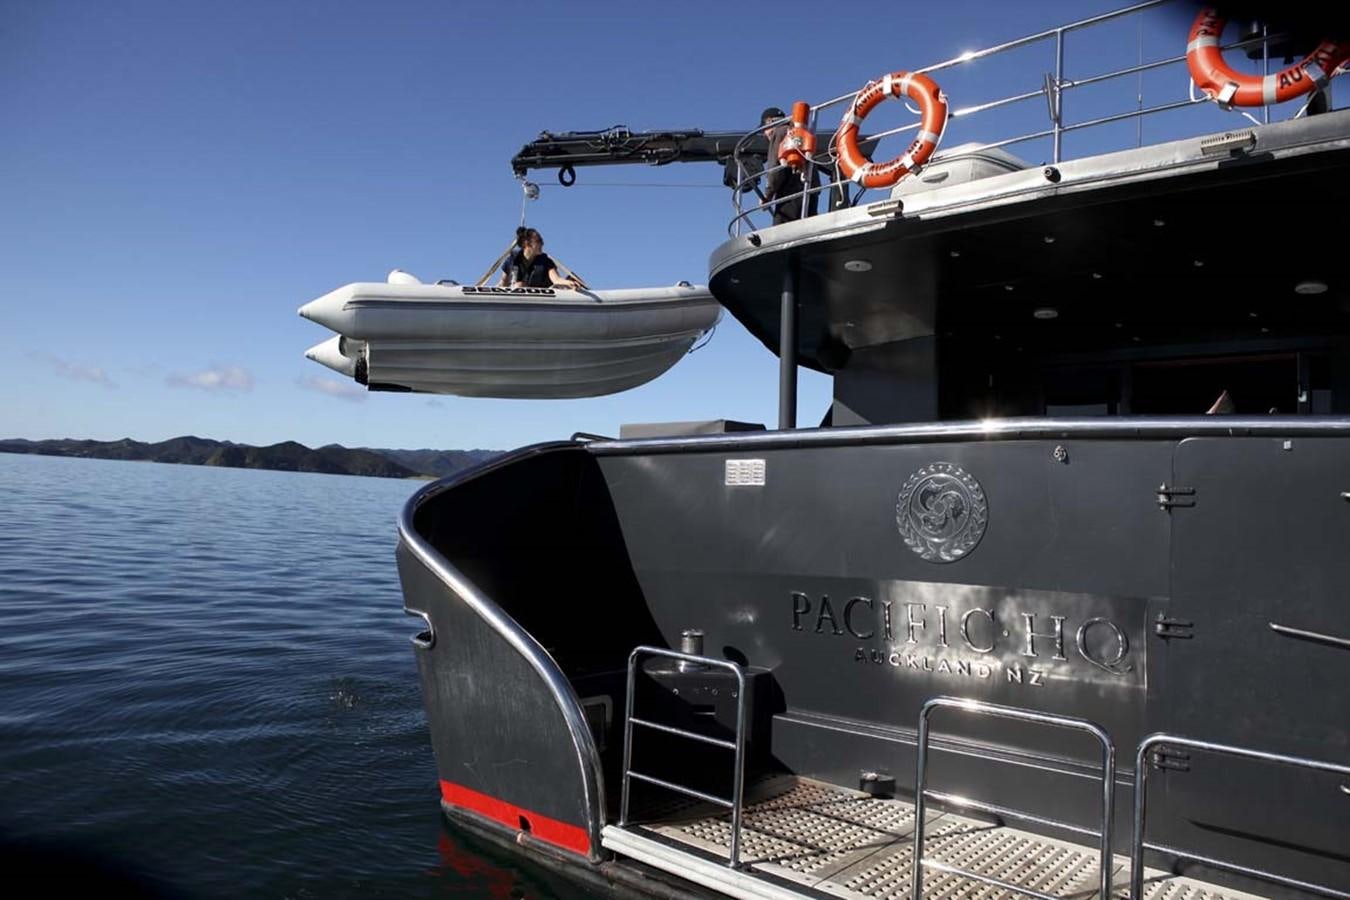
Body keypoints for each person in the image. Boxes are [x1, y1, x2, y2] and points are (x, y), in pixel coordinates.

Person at [760, 106, 819, 226]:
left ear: (769, 122)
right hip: (811, 192)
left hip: (790, 193)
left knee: (781, 233)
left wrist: (768, 194)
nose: (765, 135)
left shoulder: (779, 132)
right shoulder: (802, 133)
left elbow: (775, 169)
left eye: (764, 130)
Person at [509, 229, 580, 289]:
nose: (542, 243)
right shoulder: (512, 260)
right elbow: (502, 283)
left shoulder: (546, 262)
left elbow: (556, 279)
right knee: (518, 286)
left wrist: (568, 282)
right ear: (527, 243)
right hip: (521, 298)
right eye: (539, 241)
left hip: (544, 300)